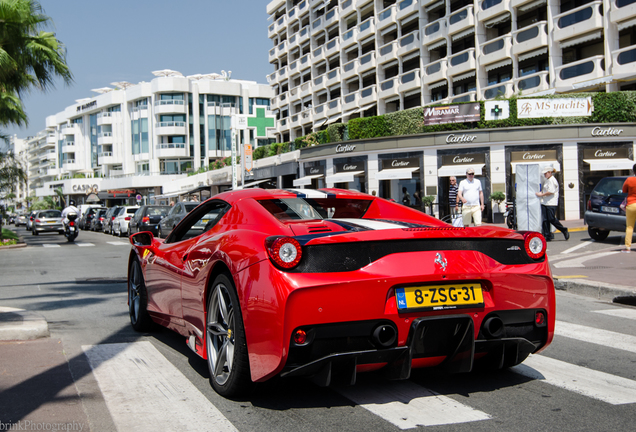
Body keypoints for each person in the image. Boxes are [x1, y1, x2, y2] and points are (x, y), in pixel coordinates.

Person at [535, 165, 569, 241]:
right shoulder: (547, 180)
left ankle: (563, 230)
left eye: (545, 173)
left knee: (551, 218)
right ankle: (547, 235)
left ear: (550, 172)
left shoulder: (552, 180)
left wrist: (541, 194)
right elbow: (546, 190)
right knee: (545, 220)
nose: (544, 175)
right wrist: (541, 193)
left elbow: (550, 191)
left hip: (551, 203)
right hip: (545, 202)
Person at [621, 163, 636, 253]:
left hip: (631, 204)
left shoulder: (629, 180)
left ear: (633, 171)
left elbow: (624, 190)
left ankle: (627, 247)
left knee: (630, 227)